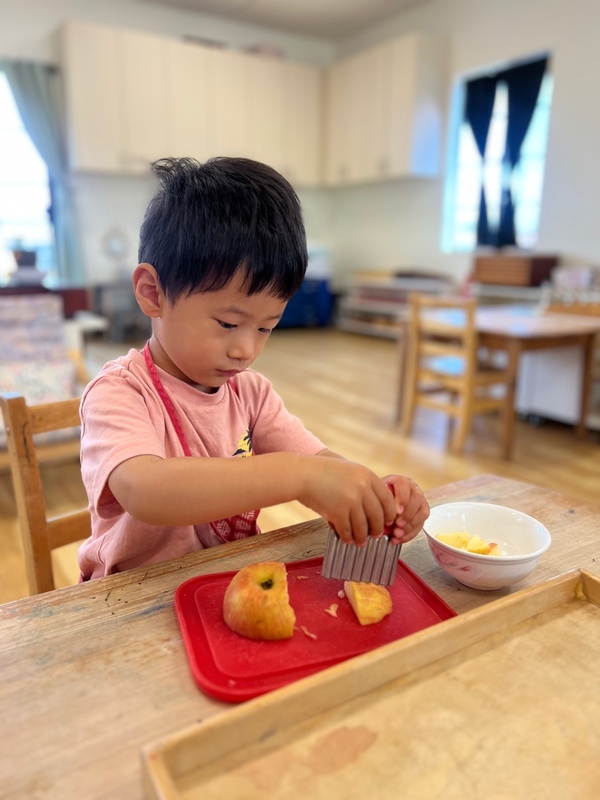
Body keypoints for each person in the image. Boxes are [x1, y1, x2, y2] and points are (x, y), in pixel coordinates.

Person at [78, 157, 429, 580]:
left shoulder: (251, 394)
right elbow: (145, 490)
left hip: (224, 582)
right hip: (131, 601)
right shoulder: (118, 392)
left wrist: (372, 492)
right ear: (153, 293)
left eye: (266, 327)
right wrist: (301, 476)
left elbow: (318, 464)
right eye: (228, 323)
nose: (246, 350)